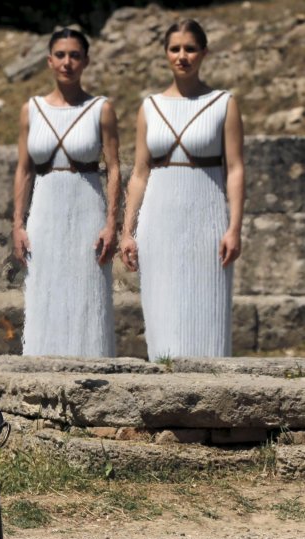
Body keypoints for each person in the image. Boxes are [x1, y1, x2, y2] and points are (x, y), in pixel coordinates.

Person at [120, 19, 245, 359]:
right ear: (166, 54)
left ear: (204, 53)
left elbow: (234, 170)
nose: (182, 56)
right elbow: (140, 173)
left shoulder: (223, 104)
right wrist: (127, 231)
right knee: (162, 318)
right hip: (158, 223)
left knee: (208, 312)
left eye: (190, 48)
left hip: (207, 220)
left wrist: (234, 228)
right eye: (175, 49)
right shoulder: (150, 107)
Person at [12, 29, 119, 357]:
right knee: (45, 290)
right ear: (49, 60)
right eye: (60, 55)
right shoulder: (31, 109)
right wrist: (18, 222)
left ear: (85, 61)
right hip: (44, 211)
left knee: (87, 292)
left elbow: (114, 168)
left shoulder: (101, 108)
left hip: (87, 206)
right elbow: (24, 169)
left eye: (75, 55)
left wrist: (113, 223)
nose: (67, 62)